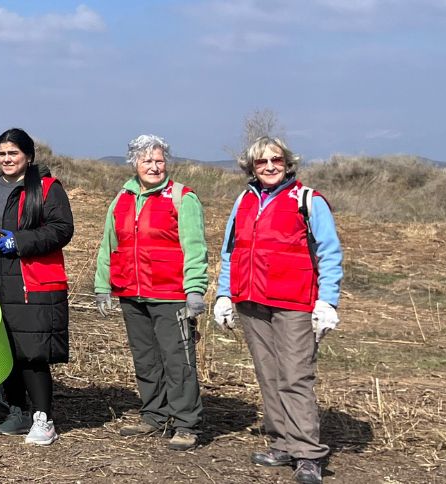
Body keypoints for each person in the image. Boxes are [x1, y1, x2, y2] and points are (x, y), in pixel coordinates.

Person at [213, 136, 343, 484]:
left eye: (276, 160)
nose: (270, 166)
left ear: (287, 163)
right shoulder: (244, 200)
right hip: (251, 301)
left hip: (294, 302)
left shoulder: (308, 201)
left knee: (295, 376)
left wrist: (327, 301)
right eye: (262, 161)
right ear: (251, 167)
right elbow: (231, 250)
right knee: (268, 374)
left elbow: (330, 252)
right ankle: (282, 442)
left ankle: (307, 454)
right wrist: (224, 294)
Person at [92, 135, 208, 451]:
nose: (154, 167)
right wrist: (103, 286)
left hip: (171, 294)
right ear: (135, 164)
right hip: (132, 292)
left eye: (159, 160)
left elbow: (195, 248)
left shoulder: (182, 197)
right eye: (147, 161)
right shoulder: (122, 198)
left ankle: (185, 423)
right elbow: (109, 244)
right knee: (145, 359)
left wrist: (195, 289)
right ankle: (154, 415)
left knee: (178, 360)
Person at [0, 128, 74, 446]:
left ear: (29, 156)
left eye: (14, 153)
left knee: (32, 352)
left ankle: (43, 419)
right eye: (2, 154)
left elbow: (61, 229)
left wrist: (18, 241)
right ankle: (16, 411)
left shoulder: (46, 188)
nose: (7, 159)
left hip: (29, 281)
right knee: (4, 349)